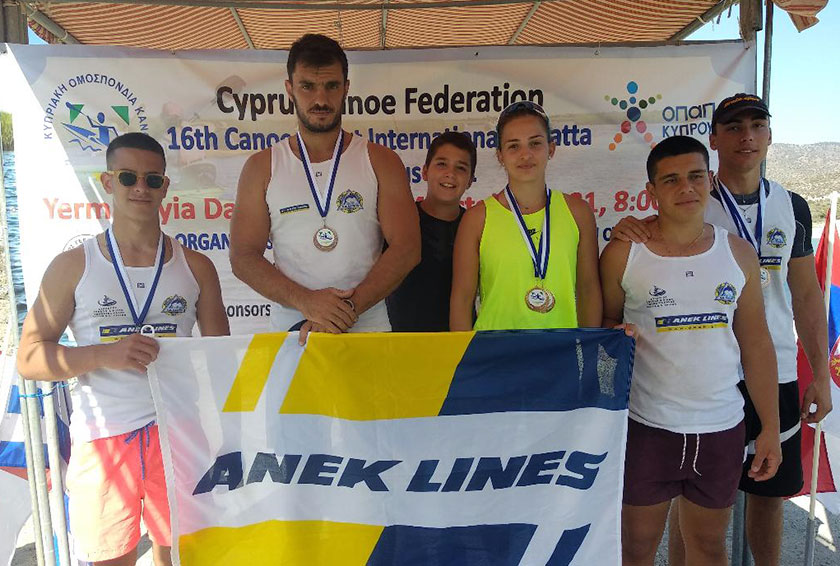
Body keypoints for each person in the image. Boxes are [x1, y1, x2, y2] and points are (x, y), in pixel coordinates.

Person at [613, 94, 832, 566]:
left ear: (770, 134)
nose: (746, 136)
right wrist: (627, 228)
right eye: (733, 127)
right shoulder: (682, 207)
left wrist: (818, 373)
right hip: (689, 387)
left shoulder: (791, 205)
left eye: (756, 125)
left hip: (771, 370)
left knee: (768, 495)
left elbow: (807, 294)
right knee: (683, 508)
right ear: (714, 140)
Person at [16, 132, 230, 566]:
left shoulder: (197, 266)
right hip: (104, 437)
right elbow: (29, 357)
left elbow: (225, 356)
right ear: (108, 182)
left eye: (152, 180)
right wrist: (103, 354)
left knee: (183, 557)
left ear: (165, 187)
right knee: (111, 560)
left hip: (178, 433)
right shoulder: (73, 265)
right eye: (129, 177)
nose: (140, 188)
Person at [600, 135, 781, 566]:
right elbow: (601, 329)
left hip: (721, 429)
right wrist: (613, 335)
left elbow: (757, 344)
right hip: (646, 427)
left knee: (708, 548)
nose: (686, 188)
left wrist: (770, 428)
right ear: (651, 191)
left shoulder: (738, 254)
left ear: (710, 180)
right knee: (635, 550)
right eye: (671, 180)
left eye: (696, 176)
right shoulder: (623, 253)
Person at [230, 34, 420, 342]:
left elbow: (407, 248)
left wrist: (345, 311)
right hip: (292, 331)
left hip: (367, 328)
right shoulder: (261, 167)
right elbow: (243, 256)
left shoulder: (381, 160)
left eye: (331, 86)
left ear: (346, 88)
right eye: (307, 86)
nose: (320, 99)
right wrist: (307, 302)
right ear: (289, 88)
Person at [450, 101, 601, 331]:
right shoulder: (477, 219)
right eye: (513, 146)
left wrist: (589, 347)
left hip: (561, 349)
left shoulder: (578, 212)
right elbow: (462, 299)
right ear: (500, 156)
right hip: (497, 351)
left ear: (551, 149)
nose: (525, 154)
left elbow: (588, 289)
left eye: (535, 143)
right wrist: (463, 351)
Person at [386, 131, 476, 331]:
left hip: (459, 341)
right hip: (403, 341)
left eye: (461, 168)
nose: (450, 174)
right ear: (425, 172)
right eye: (442, 164)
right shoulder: (400, 222)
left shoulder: (475, 226)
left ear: (470, 180)